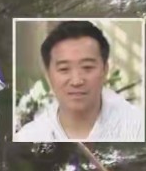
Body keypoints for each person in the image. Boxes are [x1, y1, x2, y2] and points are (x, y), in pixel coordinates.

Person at [15, 20, 145, 142]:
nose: (76, 81)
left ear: (105, 70)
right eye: (64, 69)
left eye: (87, 67)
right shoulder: (29, 137)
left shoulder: (137, 127)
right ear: (48, 76)